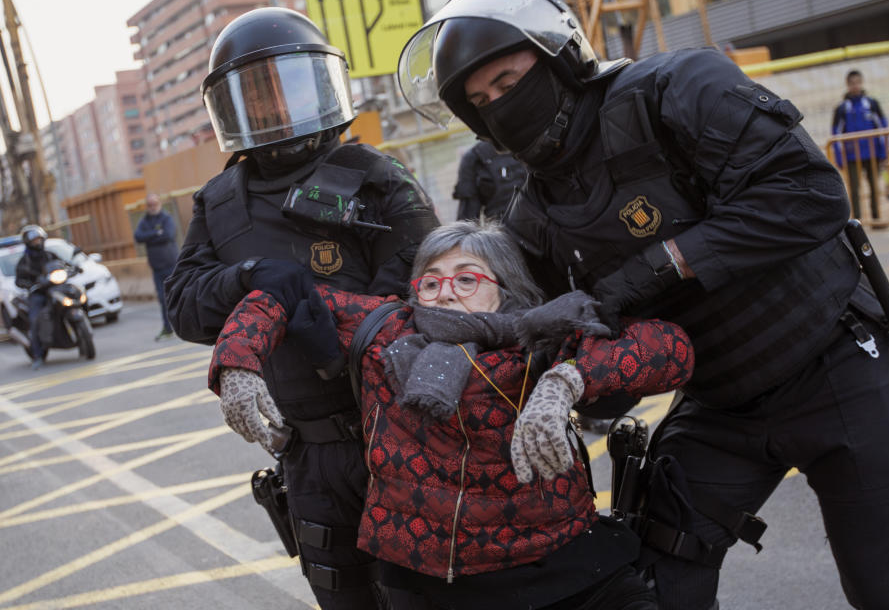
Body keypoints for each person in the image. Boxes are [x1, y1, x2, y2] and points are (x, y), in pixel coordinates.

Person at [396, 0, 889, 610]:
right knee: (651, 585)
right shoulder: (533, 220)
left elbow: (808, 195)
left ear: (556, 58)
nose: (501, 104)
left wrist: (655, 269)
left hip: (837, 362)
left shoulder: (675, 90)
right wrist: (563, 378)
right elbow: (563, 347)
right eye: (482, 99)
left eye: (509, 80)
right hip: (719, 402)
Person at [207, 221, 694, 610]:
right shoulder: (384, 331)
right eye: (431, 280)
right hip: (430, 584)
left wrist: (565, 381)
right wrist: (237, 362)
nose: (445, 292)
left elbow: (671, 349)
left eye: (466, 278)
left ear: (505, 288)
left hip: (565, 567)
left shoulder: (544, 337)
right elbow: (284, 295)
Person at [164, 7, 440, 610]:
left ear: (320, 84)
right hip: (306, 454)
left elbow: (423, 300)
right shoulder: (218, 200)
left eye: (287, 85)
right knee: (342, 597)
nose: (276, 108)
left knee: (423, 596)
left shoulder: (376, 178)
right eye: (256, 95)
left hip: (396, 435)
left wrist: (316, 322)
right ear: (231, 109)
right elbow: (183, 307)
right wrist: (251, 278)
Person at [831, 69, 889, 220]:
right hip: (851, 156)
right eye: (852, 83)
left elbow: (882, 126)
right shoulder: (842, 108)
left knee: (874, 187)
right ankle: (858, 221)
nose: (855, 86)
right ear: (847, 85)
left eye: (857, 82)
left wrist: (883, 151)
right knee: (854, 189)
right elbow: (835, 133)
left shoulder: (871, 104)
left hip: (872, 153)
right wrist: (839, 157)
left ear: (861, 83)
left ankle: (877, 218)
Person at [134, 193, 179, 341]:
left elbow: (168, 235)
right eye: (149, 205)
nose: (152, 207)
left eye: (154, 204)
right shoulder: (145, 221)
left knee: (177, 295)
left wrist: (151, 236)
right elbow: (138, 236)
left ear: (159, 204)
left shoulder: (166, 218)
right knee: (162, 298)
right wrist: (156, 233)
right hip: (157, 268)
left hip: (171, 264)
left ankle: (183, 325)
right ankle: (167, 328)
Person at [15, 225, 58, 370]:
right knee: (34, 320)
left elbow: (62, 265)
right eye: (34, 241)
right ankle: (38, 356)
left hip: (54, 289)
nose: (38, 243)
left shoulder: (50, 255)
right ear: (28, 243)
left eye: (39, 239)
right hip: (37, 293)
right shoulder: (25, 261)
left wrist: (74, 267)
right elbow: (18, 279)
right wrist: (28, 284)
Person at [453, 140, 526, 220]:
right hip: (504, 226)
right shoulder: (473, 158)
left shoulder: (473, 156)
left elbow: (466, 218)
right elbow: (467, 216)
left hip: (506, 226)